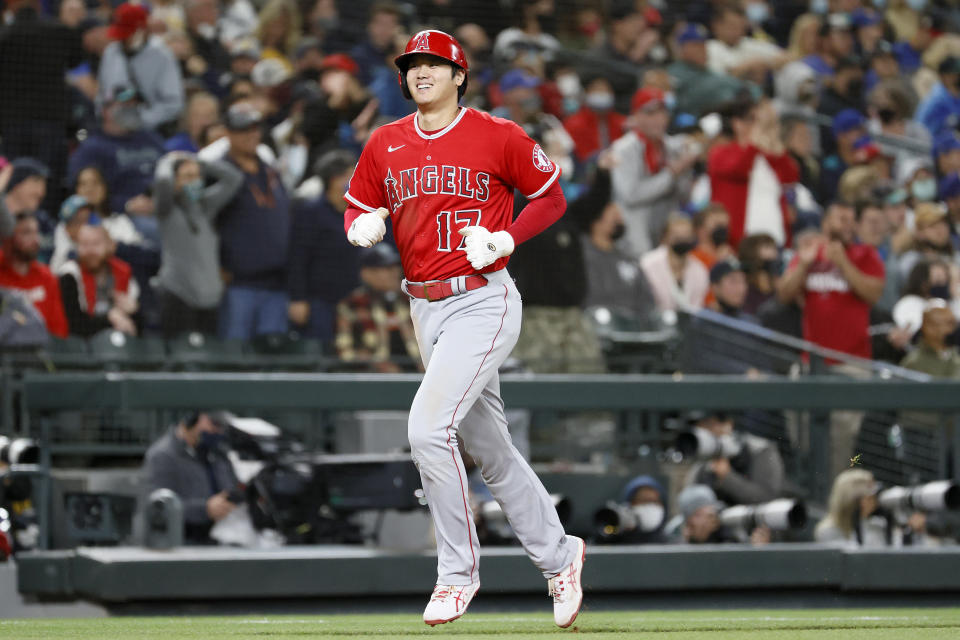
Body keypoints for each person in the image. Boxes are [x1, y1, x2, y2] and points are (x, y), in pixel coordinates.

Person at [342, 29, 584, 628]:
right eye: (412, 64)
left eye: (433, 63)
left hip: (484, 300)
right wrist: (358, 224)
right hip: (425, 307)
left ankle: (455, 573)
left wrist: (506, 237)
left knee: (427, 429)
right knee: (492, 449)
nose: (420, 71)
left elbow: (551, 197)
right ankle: (560, 556)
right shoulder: (385, 141)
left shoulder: (496, 135)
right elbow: (357, 203)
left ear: (459, 76)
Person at [212, 103, 292, 340]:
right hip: (238, 282)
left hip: (277, 282)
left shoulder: (270, 170)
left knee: (274, 355)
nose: (251, 134)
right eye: (243, 129)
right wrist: (216, 265)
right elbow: (207, 223)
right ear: (227, 133)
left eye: (255, 128)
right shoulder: (218, 173)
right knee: (235, 356)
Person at [0, 0, 85, 212]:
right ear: (38, 6)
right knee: (48, 182)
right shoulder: (58, 32)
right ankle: (46, 230)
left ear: (10, 7)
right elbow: (76, 59)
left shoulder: (4, 35)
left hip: (13, 125)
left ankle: (18, 231)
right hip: (51, 122)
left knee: (15, 182)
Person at [777, 201, 885, 359]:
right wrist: (802, 265)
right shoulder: (809, 252)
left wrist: (844, 264)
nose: (849, 226)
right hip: (814, 358)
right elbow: (783, 295)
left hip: (854, 359)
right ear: (825, 223)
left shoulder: (866, 254)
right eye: (842, 219)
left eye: (852, 220)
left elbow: (873, 296)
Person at [153, 150, 244, 338]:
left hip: (209, 299)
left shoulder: (206, 207)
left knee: (208, 360)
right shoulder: (167, 210)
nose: (194, 181)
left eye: (197, 176)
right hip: (178, 295)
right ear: (175, 180)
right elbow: (162, 183)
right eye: (187, 176)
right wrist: (167, 161)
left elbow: (234, 178)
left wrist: (199, 161)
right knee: (181, 356)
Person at [609, 86, 698, 257]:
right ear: (636, 115)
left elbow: (684, 196)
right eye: (650, 113)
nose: (658, 120)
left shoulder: (673, 147)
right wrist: (672, 172)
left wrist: (686, 170)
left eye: (662, 113)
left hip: (665, 228)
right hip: (633, 233)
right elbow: (631, 195)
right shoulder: (623, 149)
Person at [287, 150, 360, 344]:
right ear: (334, 179)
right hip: (319, 300)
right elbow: (298, 258)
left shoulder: (361, 212)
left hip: (355, 299)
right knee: (321, 351)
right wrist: (298, 298)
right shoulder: (310, 212)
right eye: (351, 175)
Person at [707, 97, 799, 249]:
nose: (759, 125)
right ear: (737, 123)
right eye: (753, 119)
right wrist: (756, 140)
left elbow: (790, 178)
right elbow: (738, 170)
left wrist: (775, 141)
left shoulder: (768, 154)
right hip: (737, 241)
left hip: (775, 237)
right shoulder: (720, 153)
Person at [143, 411, 242, 545]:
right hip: (184, 544)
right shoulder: (162, 456)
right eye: (214, 424)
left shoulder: (218, 454)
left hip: (223, 538)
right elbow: (159, 508)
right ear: (190, 419)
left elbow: (231, 487)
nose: (218, 431)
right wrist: (205, 510)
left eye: (221, 426)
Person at [67, 86, 166, 217]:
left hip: (163, 206)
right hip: (122, 216)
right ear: (105, 111)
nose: (132, 108)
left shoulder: (152, 138)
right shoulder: (92, 148)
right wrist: (125, 204)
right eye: (125, 104)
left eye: (135, 104)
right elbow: (80, 193)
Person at [577, 169, 657, 325]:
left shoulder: (628, 257)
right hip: (593, 330)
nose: (620, 222)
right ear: (595, 221)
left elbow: (647, 300)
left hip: (632, 333)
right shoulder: (579, 255)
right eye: (614, 218)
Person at [97, 3, 185, 134]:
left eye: (128, 33)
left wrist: (139, 121)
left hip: (149, 130)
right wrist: (106, 115)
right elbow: (102, 93)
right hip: (112, 128)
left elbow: (173, 103)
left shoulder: (161, 55)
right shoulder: (111, 52)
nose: (124, 39)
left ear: (142, 30)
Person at [334, 243, 420, 372]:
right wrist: (376, 364)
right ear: (366, 273)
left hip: (419, 375)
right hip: (371, 380)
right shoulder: (352, 304)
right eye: (386, 268)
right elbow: (345, 352)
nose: (395, 273)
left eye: (395, 267)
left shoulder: (413, 300)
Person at [683, 411, 784, 506]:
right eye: (700, 427)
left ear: (728, 424)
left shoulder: (759, 450)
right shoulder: (704, 459)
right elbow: (691, 505)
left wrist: (726, 476)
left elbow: (767, 499)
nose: (705, 433)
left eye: (709, 425)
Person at [58, 224, 139, 337]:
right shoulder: (69, 274)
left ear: (110, 246)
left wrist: (135, 312)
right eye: (84, 244)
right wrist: (110, 318)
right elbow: (74, 325)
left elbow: (138, 324)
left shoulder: (123, 272)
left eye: (96, 244)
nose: (90, 250)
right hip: (82, 348)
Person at [0, 213, 69, 338]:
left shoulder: (46, 276)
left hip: (39, 350)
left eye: (36, 232)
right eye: (26, 233)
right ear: (8, 237)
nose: (35, 239)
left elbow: (59, 329)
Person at [640, 214, 710, 312]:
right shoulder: (647, 264)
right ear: (665, 237)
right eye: (676, 235)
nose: (682, 239)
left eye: (686, 235)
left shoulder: (700, 270)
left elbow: (696, 308)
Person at [814, 468, 890, 546]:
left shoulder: (876, 526)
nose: (874, 502)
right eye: (869, 497)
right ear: (854, 501)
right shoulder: (828, 531)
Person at [900, 300, 960, 378]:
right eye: (948, 323)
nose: (952, 329)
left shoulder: (955, 358)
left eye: (953, 323)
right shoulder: (913, 365)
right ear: (928, 328)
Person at [915, 56, 960, 139]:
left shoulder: (955, 94)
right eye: (955, 75)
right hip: (933, 146)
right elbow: (918, 129)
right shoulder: (935, 100)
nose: (958, 78)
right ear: (943, 76)